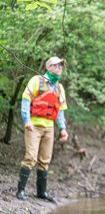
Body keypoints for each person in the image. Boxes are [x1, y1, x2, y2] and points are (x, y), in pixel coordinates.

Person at [16, 56, 69, 203]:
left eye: (61, 66)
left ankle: (41, 192)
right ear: (48, 67)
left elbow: (60, 111)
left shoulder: (59, 87)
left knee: (45, 160)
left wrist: (63, 129)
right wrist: (26, 120)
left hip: (49, 128)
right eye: (56, 65)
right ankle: (20, 191)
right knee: (30, 157)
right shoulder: (36, 80)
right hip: (34, 126)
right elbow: (26, 99)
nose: (59, 68)